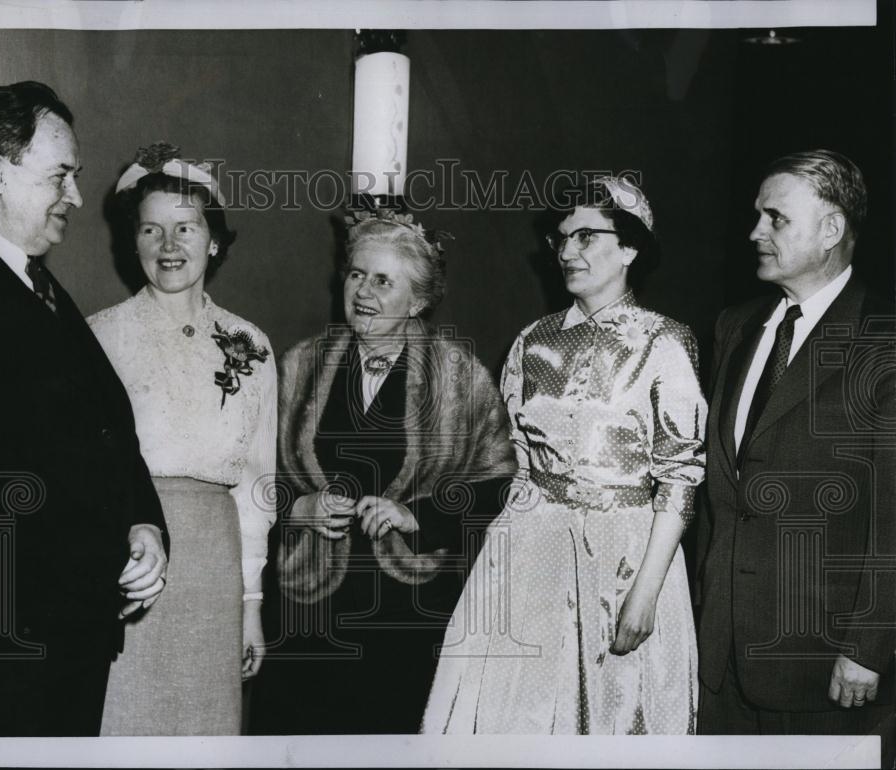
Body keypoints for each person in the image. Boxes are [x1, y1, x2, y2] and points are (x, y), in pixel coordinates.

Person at [422, 176, 706, 734]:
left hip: (627, 558)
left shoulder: (665, 342)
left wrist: (645, 595)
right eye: (561, 239)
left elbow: (679, 479)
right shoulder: (532, 341)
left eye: (585, 237)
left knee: (616, 714)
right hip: (532, 550)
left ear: (629, 248)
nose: (567, 252)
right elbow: (517, 462)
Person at [0, 81, 168, 736]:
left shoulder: (40, 285)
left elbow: (103, 433)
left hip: (70, 641)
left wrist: (143, 524)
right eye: (60, 176)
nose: (75, 196)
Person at [251, 208, 516, 735]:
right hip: (307, 615)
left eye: (382, 280)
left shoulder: (460, 378)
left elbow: (501, 487)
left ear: (418, 299)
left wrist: (416, 515)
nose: (363, 291)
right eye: (355, 273)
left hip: (407, 616)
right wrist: (299, 508)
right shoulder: (299, 366)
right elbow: (254, 476)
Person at [696, 150, 895, 759]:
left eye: (775, 218)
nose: (755, 231)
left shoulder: (882, 342)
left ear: (831, 230)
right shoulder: (735, 326)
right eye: (758, 215)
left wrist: (868, 646)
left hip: (825, 666)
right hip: (720, 659)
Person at [87, 143, 276, 735]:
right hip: (127, 561)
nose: (169, 247)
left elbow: (255, 487)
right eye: (151, 229)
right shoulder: (97, 337)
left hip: (214, 570)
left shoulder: (253, 345)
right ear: (133, 241)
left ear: (214, 239)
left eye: (186, 228)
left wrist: (251, 606)